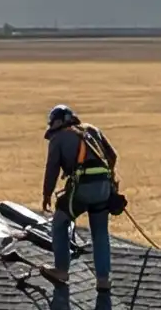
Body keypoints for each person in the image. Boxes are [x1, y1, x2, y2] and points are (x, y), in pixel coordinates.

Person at [41, 103, 116, 283]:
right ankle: (103, 279)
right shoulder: (92, 130)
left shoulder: (58, 138)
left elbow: (52, 168)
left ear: (55, 123)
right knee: (100, 232)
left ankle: (61, 270)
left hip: (82, 189)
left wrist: (46, 195)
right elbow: (112, 156)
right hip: (104, 188)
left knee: (60, 222)